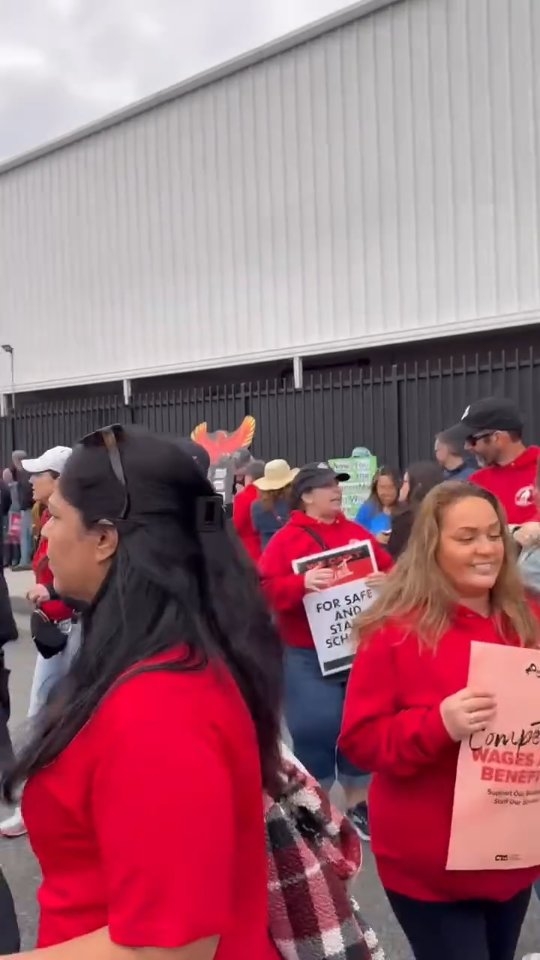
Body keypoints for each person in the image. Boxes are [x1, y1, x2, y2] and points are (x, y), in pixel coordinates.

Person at [2, 425, 282, 959]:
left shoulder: (158, 709)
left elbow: (172, 948)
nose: (43, 535)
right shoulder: (156, 666)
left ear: (106, 538)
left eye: (55, 516)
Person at [339, 481, 540, 960]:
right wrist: (439, 723)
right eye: (467, 538)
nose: (487, 549)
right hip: (431, 864)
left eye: (494, 534)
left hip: (512, 849)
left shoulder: (529, 617)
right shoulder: (393, 630)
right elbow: (361, 742)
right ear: (433, 547)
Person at [259, 460, 392, 841]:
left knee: (356, 722)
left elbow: (393, 572)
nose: (336, 490)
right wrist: (300, 584)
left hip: (356, 649)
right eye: (327, 485)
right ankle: (311, 804)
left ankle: (357, 802)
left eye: (337, 483)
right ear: (306, 496)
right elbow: (265, 591)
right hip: (306, 652)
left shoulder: (356, 532)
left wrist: (387, 580)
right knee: (316, 726)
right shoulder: (287, 539)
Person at [0, 446, 77, 840]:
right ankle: (38, 807)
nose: (30, 481)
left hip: (73, 629)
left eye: (39, 474)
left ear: (59, 480)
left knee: (45, 718)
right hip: (58, 629)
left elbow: (82, 577)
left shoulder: (74, 520)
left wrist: (51, 592)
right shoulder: (45, 515)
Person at [452, 397, 540, 525]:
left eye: (472, 440)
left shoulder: (536, 467)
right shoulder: (476, 483)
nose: (467, 447)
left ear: (497, 438)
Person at [386, 461, 444, 559]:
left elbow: (394, 557)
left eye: (405, 482)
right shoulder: (445, 513)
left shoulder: (405, 519)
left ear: (417, 486)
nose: (401, 487)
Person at [252, 459, 298, 551]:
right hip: (294, 549)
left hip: (269, 552)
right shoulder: (296, 502)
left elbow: (256, 528)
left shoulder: (256, 506)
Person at [232, 459, 266, 561]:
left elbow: (237, 526)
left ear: (249, 477)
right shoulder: (270, 495)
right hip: (267, 546)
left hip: (247, 549)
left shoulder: (243, 497)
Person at [354, 467, 400, 542]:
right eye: (382, 487)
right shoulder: (367, 509)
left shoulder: (405, 511)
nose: (386, 492)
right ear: (375, 488)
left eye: (391, 487)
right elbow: (355, 537)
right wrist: (374, 539)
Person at [11, 450, 34, 569]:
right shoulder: (27, 472)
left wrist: (23, 506)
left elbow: (26, 492)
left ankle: (25, 561)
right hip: (28, 507)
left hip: (26, 508)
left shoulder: (23, 473)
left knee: (25, 535)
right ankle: (26, 559)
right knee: (28, 535)